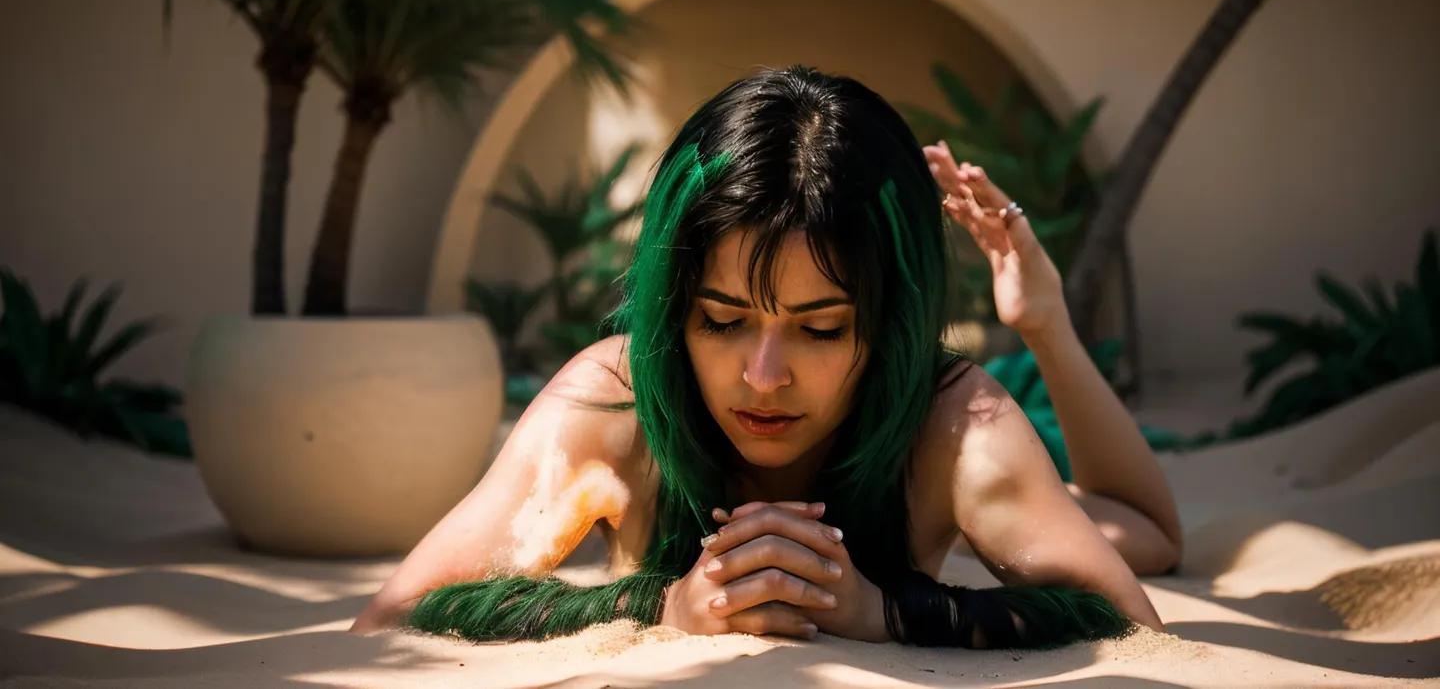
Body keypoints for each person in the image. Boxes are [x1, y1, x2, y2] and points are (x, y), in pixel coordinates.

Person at [351, 66, 1182, 648]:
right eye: (721, 320)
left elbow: (1129, 618)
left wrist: (889, 612)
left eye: (821, 329)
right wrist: (660, 603)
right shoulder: (613, 404)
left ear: (889, 327)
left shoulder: (952, 424)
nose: (763, 376)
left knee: (1144, 538)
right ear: (676, 306)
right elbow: (396, 615)